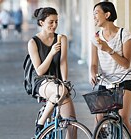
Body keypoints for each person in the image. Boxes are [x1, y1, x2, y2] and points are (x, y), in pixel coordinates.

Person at [90, 2, 131, 139]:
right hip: (105, 80)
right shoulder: (96, 37)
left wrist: (108, 49)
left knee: (123, 119)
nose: (94, 17)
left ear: (107, 14)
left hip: (125, 79)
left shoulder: (124, 34)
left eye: (96, 13)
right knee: (99, 120)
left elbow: (126, 64)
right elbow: (93, 64)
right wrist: (92, 73)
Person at [27, 7, 76, 136]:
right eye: (51, 22)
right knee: (58, 90)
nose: (54, 25)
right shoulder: (33, 42)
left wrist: (65, 82)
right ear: (41, 23)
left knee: (72, 124)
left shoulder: (61, 38)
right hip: (41, 82)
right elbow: (39, 71)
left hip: (58, 83)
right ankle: (41, 121)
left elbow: (63, 62)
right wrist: (52, 52)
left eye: (56, 21)